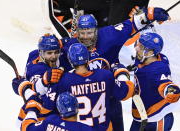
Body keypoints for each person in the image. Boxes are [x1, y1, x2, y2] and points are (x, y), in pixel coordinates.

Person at [20, 7, 170, 130]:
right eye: (82, 33)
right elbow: (43, 55)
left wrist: (150, 14)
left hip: (107, 99)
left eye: (89, 32)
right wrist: (121, 73)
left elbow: (132, 23)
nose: (85, 37)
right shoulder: (69, 45)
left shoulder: (108, 36)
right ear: (76, 31)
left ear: (96, 30)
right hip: (84, 104)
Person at [35, 43, 135, 130]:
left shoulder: (63, 80)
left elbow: (45, 108)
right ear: (88, 59)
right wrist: (121, 72)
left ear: (70, 61)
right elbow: (126, 92)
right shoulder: (105, 75)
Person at [130, 32, 180, 130]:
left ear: (149, 53)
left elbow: (164, 83)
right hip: (141, 115)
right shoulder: (148, 58)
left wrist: (170, 89)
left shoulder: (157, 69)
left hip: (157, 117)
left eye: (141, 47)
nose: (136, 48)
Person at [21, 91, 94, 131]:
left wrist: (32, 110)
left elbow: (26, 128)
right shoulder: (85, 129)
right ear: (77, 107)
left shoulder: (51, 120)